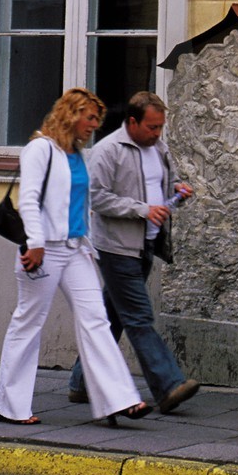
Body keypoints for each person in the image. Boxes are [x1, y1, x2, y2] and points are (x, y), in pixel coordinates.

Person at [0, 89, 149, 428]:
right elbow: (30, 200)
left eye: (97, 120)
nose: (94, 125)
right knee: (29, 321)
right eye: (89, 118)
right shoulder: (40, 149)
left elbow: (79, 205)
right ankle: (10, 404)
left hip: (75, 249)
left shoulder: (77, 155)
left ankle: (118, 399)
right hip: (43, 249)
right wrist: (34, 243)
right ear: (71, 114)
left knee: (96, 320)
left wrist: (89, 244)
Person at [67, 90, 200, 416]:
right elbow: (97, 199)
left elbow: (159, 185)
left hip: (145, 246)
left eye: (160, 128)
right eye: (152, 127)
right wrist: (143, 210)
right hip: (116, 248)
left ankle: (81, 382)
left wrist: (177, 190)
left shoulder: (158, 148)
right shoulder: (107, 151)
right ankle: (168, 385)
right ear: (131, 122)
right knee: (139, 317)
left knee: (112, 317)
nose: (157, 134)